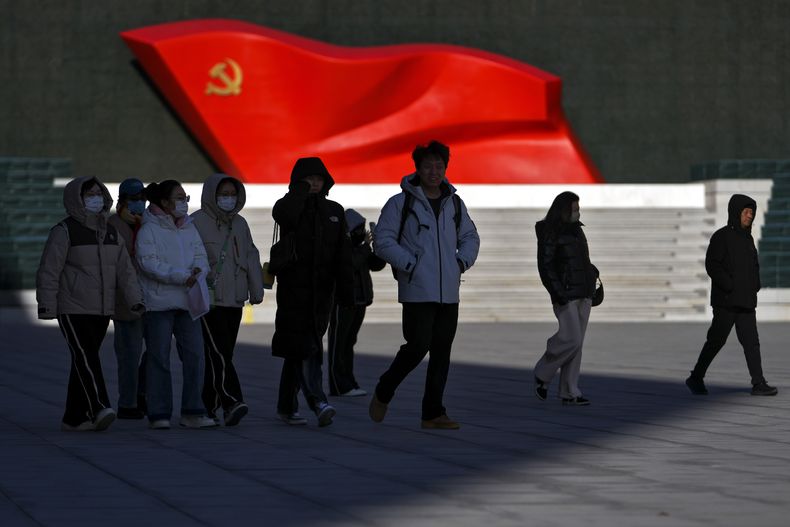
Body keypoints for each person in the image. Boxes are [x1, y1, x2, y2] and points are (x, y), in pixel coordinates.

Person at [369, 140, 480, 430]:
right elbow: (383, 241)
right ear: (417, 168)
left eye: (439, 166)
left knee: (442, 351)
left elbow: (470, 236)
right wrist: (410, 264)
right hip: (417, 288)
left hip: (448, 290)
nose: (434, 171)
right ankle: (385, 388)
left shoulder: (454, 202)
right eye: (428, 165)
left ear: (445, 168)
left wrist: (460, 263)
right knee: (417, 346)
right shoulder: (400, 202)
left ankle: (432, 413)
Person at [36, 176, 144, 431]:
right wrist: (47, 306)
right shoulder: (64, 231)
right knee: (85, 357)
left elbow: (125, 271)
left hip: (101, 308)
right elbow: (49, 271)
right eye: (89, 194)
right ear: (77, 198)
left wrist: (135, 300)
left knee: (84, 359)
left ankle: (73, 418)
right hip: (71, 307)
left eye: (98, 193)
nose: (95, 198)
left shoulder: (110, 232)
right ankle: (98, 406)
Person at [271, 157, 353, 427]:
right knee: (309, 347)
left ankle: (286, 406)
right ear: (297, 181)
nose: (314, 183)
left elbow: (343, 253)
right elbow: (285, 216)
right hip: (294, 291)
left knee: (298, 350)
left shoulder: (335, 210)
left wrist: (346, 290)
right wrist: (300, 192)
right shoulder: (288, 205)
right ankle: (318, 402)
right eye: (308, 179)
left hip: (323, 294)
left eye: (318, 178)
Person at [136, 180, 217, 429]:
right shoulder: (148, 230)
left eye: (185, 198)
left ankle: (193, 410)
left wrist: (198, 271)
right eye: (179, 198)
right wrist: (183, 276)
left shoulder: (189, 228)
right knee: (158, 358)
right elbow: (148, 264)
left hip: (188, 303)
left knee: (196, 357)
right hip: (158, 305)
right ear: (164, 202)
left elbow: (202, 257)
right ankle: (159, 413)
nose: (184, 202)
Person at [686, 194, 778, 396]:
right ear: (736, 213)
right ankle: (696, 378)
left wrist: (756, 285)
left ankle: (758, 383)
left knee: (752, 342)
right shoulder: (721, 236)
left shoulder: (749, 239)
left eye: (751, 213)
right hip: (726, 302)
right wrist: (729, 285)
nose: (749, 216)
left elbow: (753, 266)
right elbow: (712, 264)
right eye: (746, 212)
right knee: (716, 340)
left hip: (745, 301)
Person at [192, 174, 264, 426]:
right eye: (223, 193)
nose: (228, 198)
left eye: (232, 193)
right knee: (219, 352)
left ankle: (207, 407)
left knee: (222, 354)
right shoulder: (196, 223)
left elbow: (251, 256)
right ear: (212, 194)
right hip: (209, 300)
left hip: (234, 300)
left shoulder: (241, 224)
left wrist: (256, 290)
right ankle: (232, 401)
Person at [533, 191, 598, 406]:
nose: (578, 212)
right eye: (574, 208)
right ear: (563, 209)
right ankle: (542, 373)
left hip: (584, 292)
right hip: (566, 294)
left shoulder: (577, 231)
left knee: (577, 345)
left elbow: (582, 259)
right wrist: (558, 293)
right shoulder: (549, 231)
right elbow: (546, 266)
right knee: (572, 339)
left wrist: (592, 274)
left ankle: (570, 392)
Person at [327, 209, 386, 397]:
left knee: (349, 342)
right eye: (358, 229)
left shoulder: (361, 247)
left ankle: (349, 381)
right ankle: (338, 385)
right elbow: (350, 264)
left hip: (360, 300)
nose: (361, 233)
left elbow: (376, 265)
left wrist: (378, 246)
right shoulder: (339, 246)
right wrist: (365, 247)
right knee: (339, 343)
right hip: (342, 301)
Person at [108, 178, 148, 419]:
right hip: (126, 300)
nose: (139, 204)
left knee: (156, 352)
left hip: (151, 296)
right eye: (134, 199)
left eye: (142, 199)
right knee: (129, 354)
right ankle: (128, 403)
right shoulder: (112, 226)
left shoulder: (147, 223)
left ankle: (142, 393)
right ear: (122, 201)